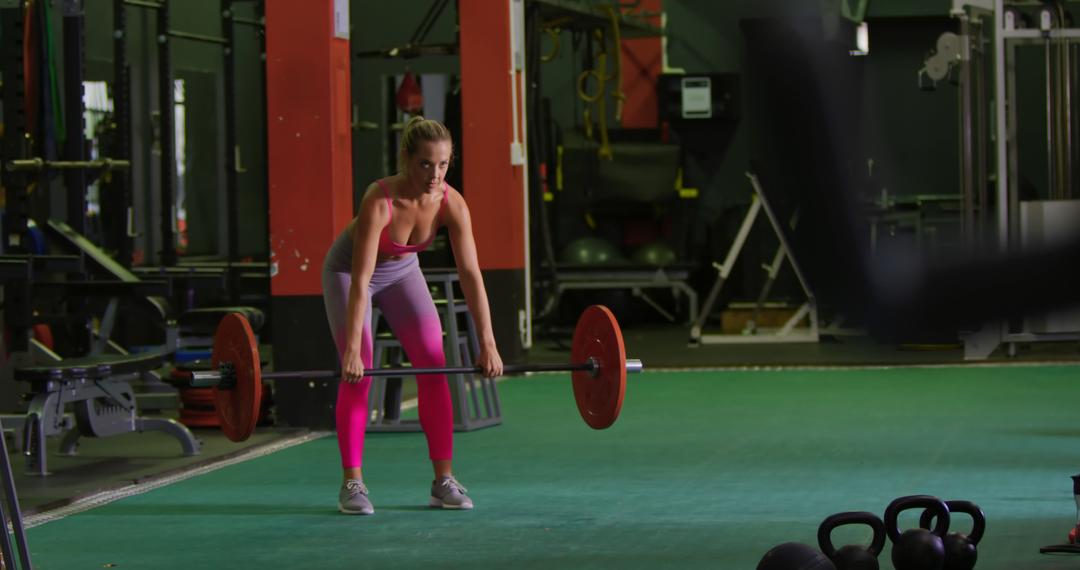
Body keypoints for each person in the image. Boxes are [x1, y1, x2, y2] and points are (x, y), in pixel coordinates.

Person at [322, 116, 503, 515]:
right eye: (425, 164)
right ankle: (352, 483)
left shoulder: (452, 203)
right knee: (361, 371)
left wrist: (487, 342)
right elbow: (362, 276)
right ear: (406, 158)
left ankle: (443, 480)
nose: (434, 175)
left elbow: (471, 275)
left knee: (434, 364)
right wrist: (351, 349)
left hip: (403, 274)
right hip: (349, 273)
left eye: (442, 165)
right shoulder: (379, 199)